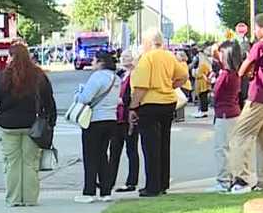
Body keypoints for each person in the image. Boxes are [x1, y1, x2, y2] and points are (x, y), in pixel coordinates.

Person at [0, 41, 56, 207]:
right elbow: (49, 102)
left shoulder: (1, 78)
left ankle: (14, 199)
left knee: (12, 164)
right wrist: (50, 122)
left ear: (11, 57)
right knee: (30, 163)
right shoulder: (39, 76)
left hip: (8, 126)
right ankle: (30, 199)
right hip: (32, 126)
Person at [129, 29, 188, 197]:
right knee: (164, 144)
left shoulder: (146, 58)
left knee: (150, 146)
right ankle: (163, 183)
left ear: (147, 42)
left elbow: (141, 87)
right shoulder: (169, 56)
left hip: (150, 104)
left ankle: (152, 186)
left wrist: (133, 107)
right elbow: (183, 75)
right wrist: (170, 86)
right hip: (168, 102)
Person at [229, 12, 263, 194]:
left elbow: (244, 68)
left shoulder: (260, 45)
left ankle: (241, 179)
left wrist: (245, 70)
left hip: (258, 96)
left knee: (240, 136)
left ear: (260, 28)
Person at [73, 52, 121, 203]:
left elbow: (85, 98)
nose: (92, 63)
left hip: (95, 120)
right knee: (102, 155)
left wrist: (78, 94)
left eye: (94, 60)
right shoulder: (116, 78)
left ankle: (89, 191)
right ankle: (105, 191)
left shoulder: (97, 77)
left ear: (100, 62)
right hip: (111, 119)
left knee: (90, 156)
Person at [209, 42, 244, 193]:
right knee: (230, 147)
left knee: (221, 148)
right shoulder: (235, 73)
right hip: (233, 111)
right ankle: (230, 178)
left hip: (224, 113)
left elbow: (215, 95)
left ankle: (224, 181)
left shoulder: (225, 75)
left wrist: (212, 84)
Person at [110, 51, 140, 193]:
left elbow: (135, 95)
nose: (124, 59)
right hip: (118, 118)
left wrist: (123, 101)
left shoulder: (135, 75)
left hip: (129, 117)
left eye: (128, 57)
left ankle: (131, 182)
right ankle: (108, 181)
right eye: (123, 57)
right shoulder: (121, 75)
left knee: (131, 150)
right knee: (114, 150)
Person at [193, 49, 213, 118]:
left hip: (202, 83)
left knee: (202, 97)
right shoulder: (204, 64)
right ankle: (201, 110)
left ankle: (203, 111)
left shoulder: (203, 65)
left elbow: (200, 74)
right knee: (202, 97)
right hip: (201, 82)